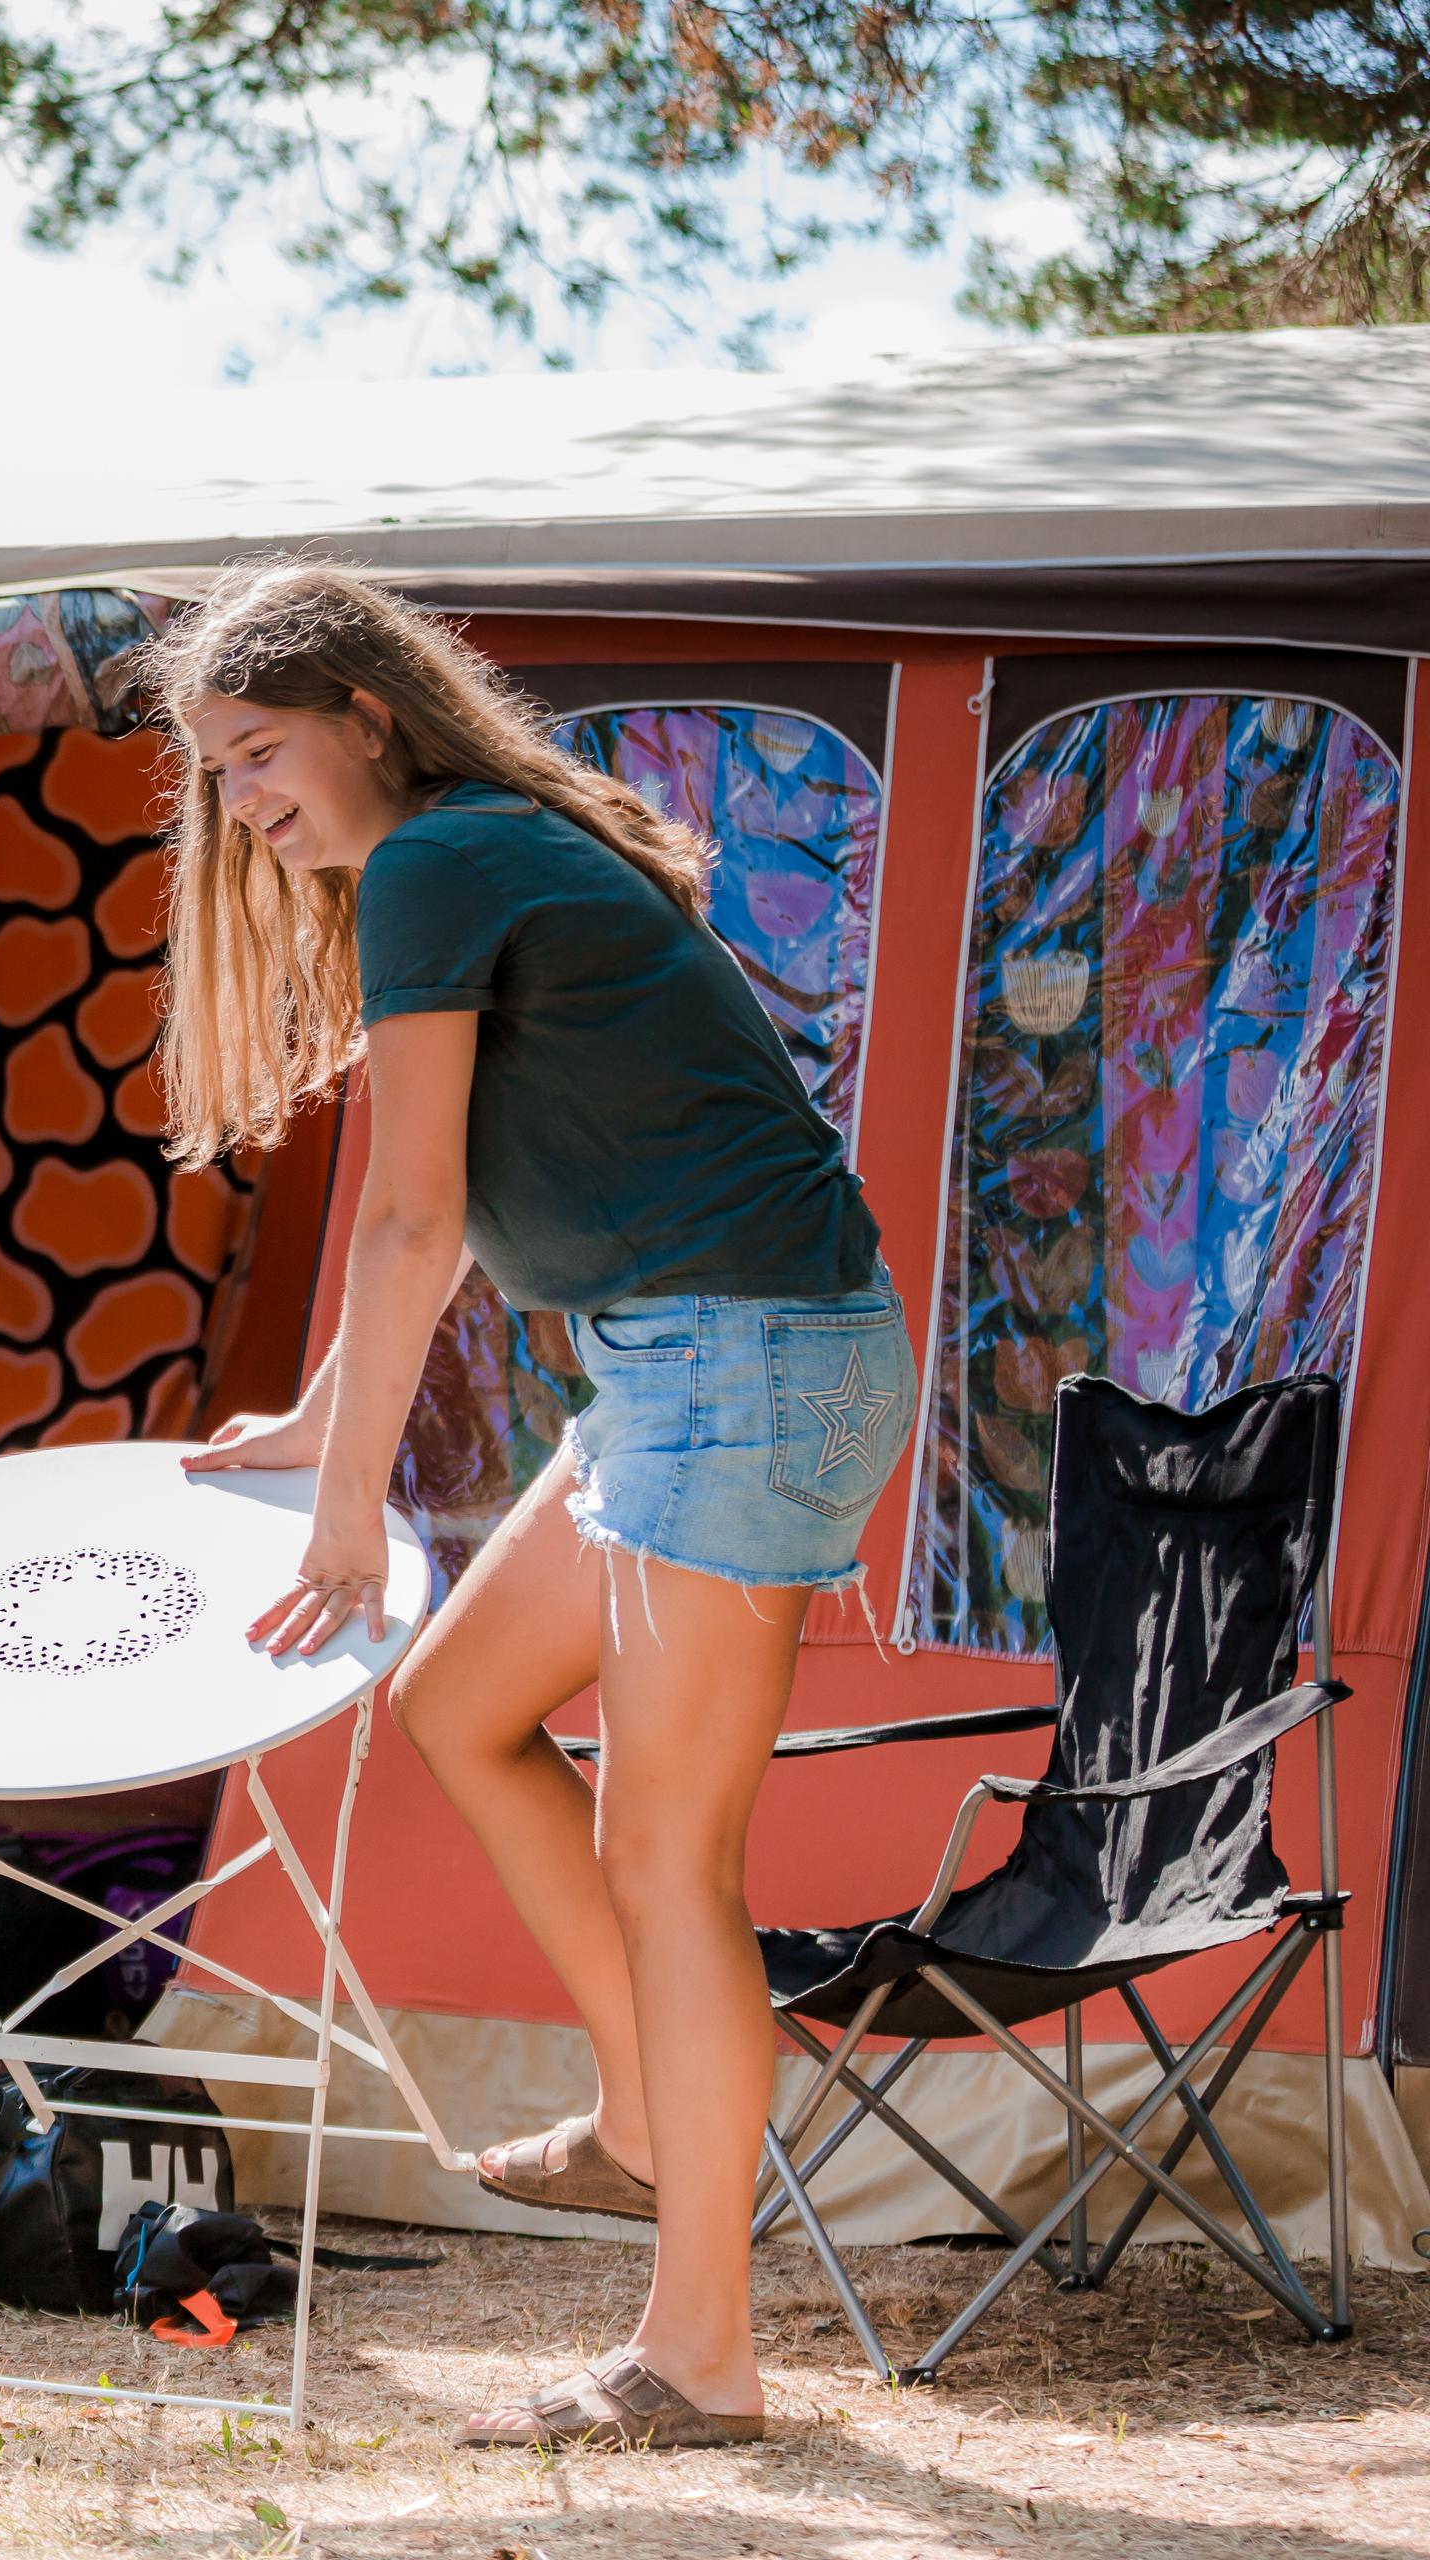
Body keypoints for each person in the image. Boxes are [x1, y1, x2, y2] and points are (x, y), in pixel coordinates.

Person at [162, 563, 905, 2449]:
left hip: (742, 1363)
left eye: (260, 753)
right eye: (217, 772)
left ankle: (700, 2360)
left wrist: (350, 1508)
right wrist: (318, 1419)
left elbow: (415, 1215)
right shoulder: (470, 856)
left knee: (674, 1866)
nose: (242, 800)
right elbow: (491, 1196)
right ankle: (650, 2119)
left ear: (372, 719)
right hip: (684, 1364)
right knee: (458, 1703)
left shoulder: (440, 863)